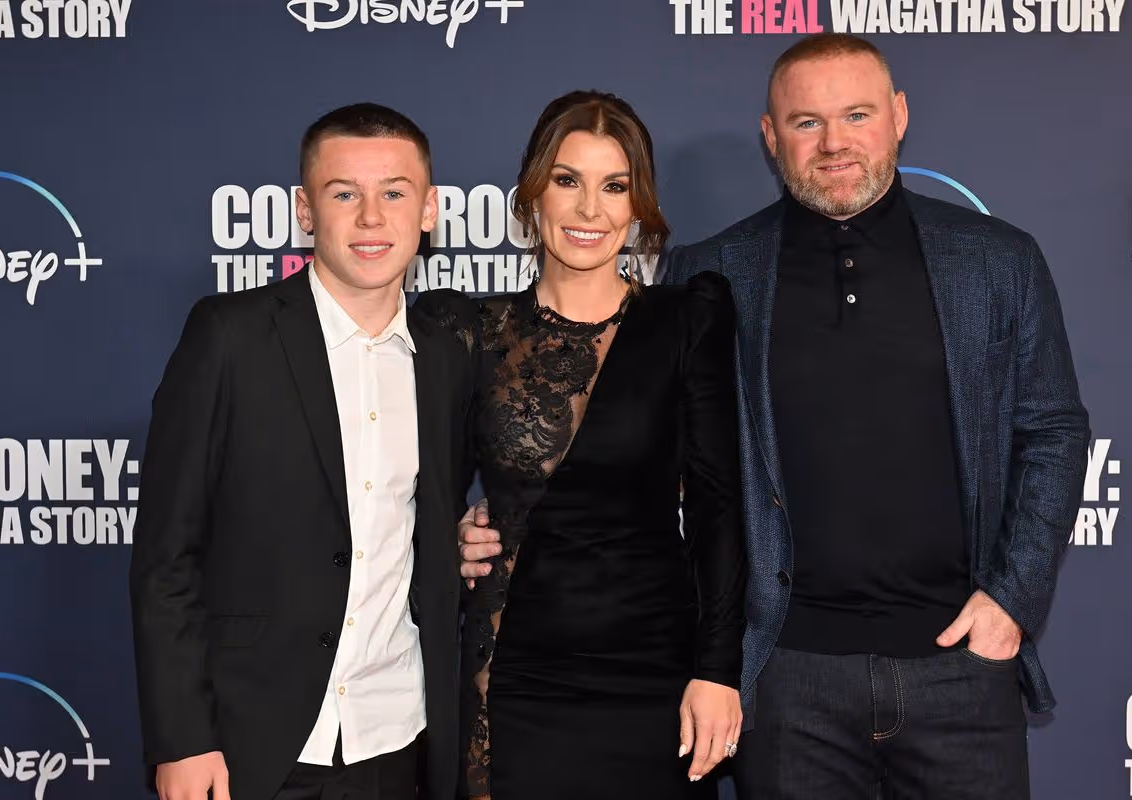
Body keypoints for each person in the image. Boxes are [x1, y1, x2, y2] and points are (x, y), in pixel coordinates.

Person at [462, 32, 1090, 800]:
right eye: (805, 122)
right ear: (770, 136)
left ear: (897, 117)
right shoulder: (713, 274)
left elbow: (1054, 431)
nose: (833, 143)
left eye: (856, 114)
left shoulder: (997, 260)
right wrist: (499, 519)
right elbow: (676, 474)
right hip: (788, 684)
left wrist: (1012, 599)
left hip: (959, 671)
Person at [129, 103, 473, 800]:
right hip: (254, 748)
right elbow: (167, 559)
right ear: (304, 211)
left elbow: (423, 516)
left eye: (394, 193)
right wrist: (184, 739)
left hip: (401, 739)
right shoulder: (229, 338)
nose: (371, 218)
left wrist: (456, 538)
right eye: (344, 193)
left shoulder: (445, 356)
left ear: (430, 209)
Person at [418, 89, 747, 800]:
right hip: (514, 671)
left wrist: (718, 670)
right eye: (567, 181)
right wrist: (442, 536)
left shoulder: (686, 320)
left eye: (614, 186)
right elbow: (414, 488)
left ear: (639, 206)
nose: (590, 210)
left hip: (654, 671)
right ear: (533, 194)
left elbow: (720, 511)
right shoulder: (472, 331)